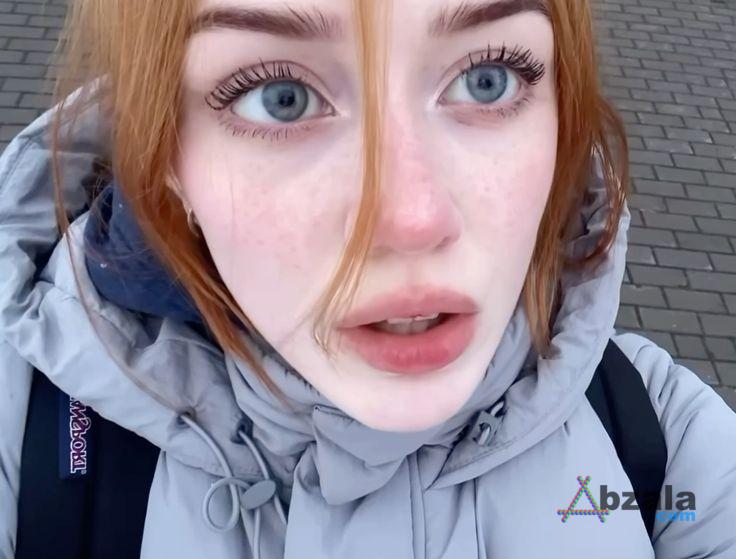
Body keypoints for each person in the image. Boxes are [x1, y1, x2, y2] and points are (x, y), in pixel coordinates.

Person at [1, 0, 735, 557]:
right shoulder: (32, 440)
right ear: (165, 155)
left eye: (488, 79)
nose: (411, 220)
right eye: (280, 95)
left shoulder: (658, 444)